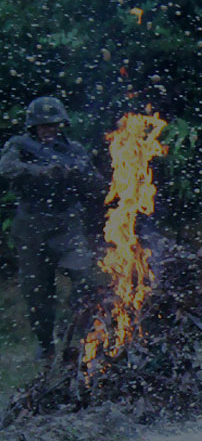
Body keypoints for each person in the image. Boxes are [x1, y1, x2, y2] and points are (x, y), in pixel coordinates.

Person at [0, 96, 105, 360]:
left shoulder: (73, 149)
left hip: (67, 223)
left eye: (53, 124)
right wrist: (41, 171)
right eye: (43, 125)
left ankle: (83, 335)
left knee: (85, 279)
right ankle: (45, 343)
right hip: (32, 226)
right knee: (37, 291)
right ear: (33, 126)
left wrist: (77, 172)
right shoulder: (19, 145)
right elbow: (7, 168)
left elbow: (97, 184)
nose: (48, 130)